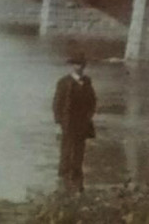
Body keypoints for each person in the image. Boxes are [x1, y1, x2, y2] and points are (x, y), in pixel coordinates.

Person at [51, 52, 98, 194]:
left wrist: (89, 116)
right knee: (66, 149)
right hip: (68, 122)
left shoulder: (87, 81)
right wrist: (59, 122)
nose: (79, 67)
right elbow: (57, 104)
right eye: (76, 64)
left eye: (81, 65)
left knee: (79, 150)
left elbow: (92, 101)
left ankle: (77, 178)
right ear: (72, 66)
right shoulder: (64, 82)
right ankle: (63, 178)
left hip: (82, 122)